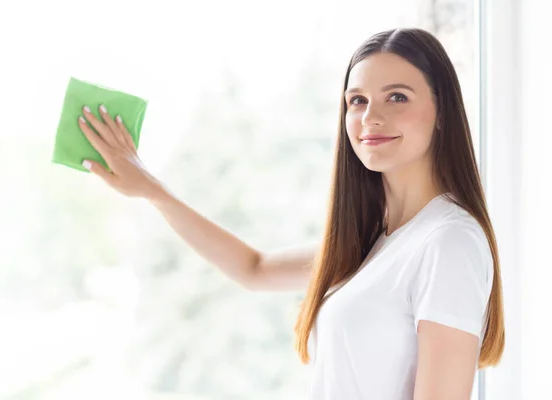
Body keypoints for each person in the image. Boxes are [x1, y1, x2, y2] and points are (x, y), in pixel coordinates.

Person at [78, 27, 505, 400]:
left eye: (397, 97)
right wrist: (153, 190)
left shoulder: (448, 241)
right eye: (357, 100)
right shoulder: (375, 240)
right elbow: (254, 268)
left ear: (442, 113)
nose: (371, 117)